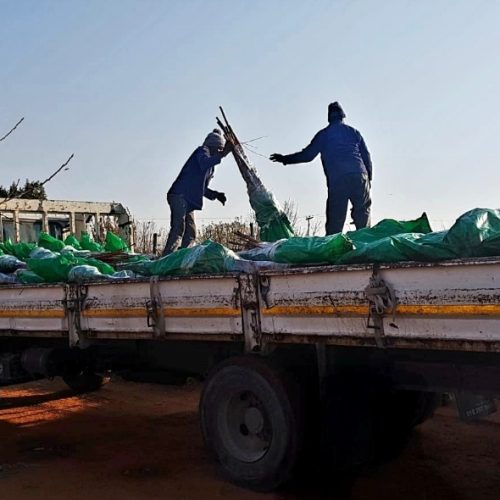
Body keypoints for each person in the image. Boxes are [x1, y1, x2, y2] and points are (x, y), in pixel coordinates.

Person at [270, 102, 372, 235]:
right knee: (363, 215)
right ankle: (366, 247)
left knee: (335, 219)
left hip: (338, 179)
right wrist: (368, 179)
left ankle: (333, 250)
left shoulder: (324, 134)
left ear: (329, 117)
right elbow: (367, 157)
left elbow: (307, 155)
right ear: (342, 116)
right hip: (360, 175)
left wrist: (285, 159)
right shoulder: (354, 132)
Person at [162, 128, 233, 256]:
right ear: (213, 146)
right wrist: (223, 154)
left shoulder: (211, 167)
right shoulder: (202, 151)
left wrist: (216, 195)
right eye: (218, 150)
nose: (219, 152)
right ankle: (167, 257)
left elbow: (203, 189)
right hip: (179, 195)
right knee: (179, 228)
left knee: (191, 233)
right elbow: (204, 162)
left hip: (187, 199)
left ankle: (184, 257)